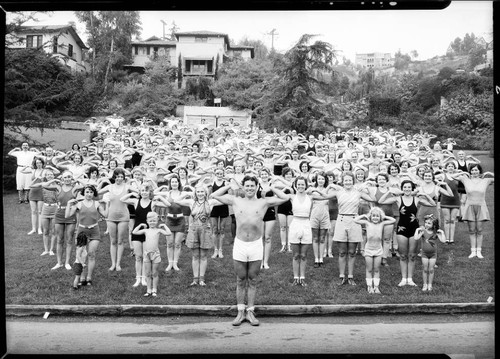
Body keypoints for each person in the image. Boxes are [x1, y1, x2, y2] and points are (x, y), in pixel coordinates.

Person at [210, 175, 288, 326]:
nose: (250, 188)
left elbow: (284, 198)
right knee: (240, 279)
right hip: (240, 244)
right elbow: (214, 195)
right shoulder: (235, 200)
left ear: (257, 187)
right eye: (247, 186)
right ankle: (240, 312)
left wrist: (271, 187)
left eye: (253, 186)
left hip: (255, 245)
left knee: (252, 279)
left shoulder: (264, 202)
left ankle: (250, 312)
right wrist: (229, 185)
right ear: (243, 187)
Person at [378, 180, 436, 287]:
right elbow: (381, 201)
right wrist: (389, 191)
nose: (407, 189)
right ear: (402, 188)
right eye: (405, 187)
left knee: (412, 255)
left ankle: (410, 279)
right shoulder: (398, 199)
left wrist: (425, 195)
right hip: (401, 229)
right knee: (403, 255)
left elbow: (433, 204)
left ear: (412, 188)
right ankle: (404, 279)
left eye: (409, 187)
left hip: (414, 228)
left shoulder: (417, 199)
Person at [170, 185, 222, 287]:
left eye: (202, 192)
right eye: (198, 192)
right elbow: (176, 200)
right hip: (193, 231)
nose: (200, 194)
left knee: (203, 256)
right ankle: (195, 279)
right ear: (195, 193)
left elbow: (224, 201)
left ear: (205, 193)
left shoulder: (210, 202)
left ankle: (201, 279)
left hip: (205, 231)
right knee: (195, 256)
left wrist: (215, 195)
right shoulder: (191, 202)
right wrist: (188, 193)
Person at [65, 185, 107, 286]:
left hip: (94, 230)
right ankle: (82, 277)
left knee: (91, 254)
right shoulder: (79, 204)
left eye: (91, 192)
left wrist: (107, 203)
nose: (89, 194)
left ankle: (89, 277)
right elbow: (67, 215)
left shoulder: (96, 203)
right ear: (84, 193)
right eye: (87, 192)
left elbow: (106, 215)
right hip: (82, 231)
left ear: (94, 193)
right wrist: (68, 204)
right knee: (82, 255)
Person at [455, 164, 494, 259]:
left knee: (479, 230)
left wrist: (489, 173)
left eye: (476, 170)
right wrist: (463, 172)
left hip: (481, 206)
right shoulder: (465, 179)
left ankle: (479, 250)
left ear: (480, 171)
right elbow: (452, 176)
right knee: (472, 230)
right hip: (469, 207)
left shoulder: (485, 180)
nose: (474, 172)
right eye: (472, 170)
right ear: (470, 171)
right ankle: (473, 251)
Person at [99, 168, 134, 271]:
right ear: (114, 177)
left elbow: (140, 190)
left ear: (124, 178)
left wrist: (135, 181)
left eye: (121, 177)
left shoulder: (127, 186)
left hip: (123, 216)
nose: (119, 178)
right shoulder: (109, 187)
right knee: (113, 241)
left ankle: (118, 263)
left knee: (120, 241)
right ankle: (113, 264)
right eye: (118, 176)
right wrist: (101, 181)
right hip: (111, 216)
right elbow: (96, 192)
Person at [354, 207, 396, 294]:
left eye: (377, 216)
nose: (375, 218)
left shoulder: (381, 224)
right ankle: (370, 287)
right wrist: (364, 215)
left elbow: (393, 220)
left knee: (376, 269)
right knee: (369, 269)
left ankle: (376, 287)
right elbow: (356, 220)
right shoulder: (367, 223)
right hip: (369, 250)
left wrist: (384, 216)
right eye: (373, 216)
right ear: (370, 216)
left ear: (380, 217)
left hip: (378, 250)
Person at [132, 212, 172, 297]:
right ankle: (148, 290)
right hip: (147, 254)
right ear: (147, 221)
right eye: (150, 221)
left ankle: (154, 289)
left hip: (155, 254)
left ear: (157, 221)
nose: (152, 222)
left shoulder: (158, 230)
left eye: (154, 221)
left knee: (154, 273)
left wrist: (164, 226)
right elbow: (134, 232)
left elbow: (168, 233)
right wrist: (141, 225)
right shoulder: (145, 230)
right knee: (148, 273)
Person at [414, 214, 446, 291]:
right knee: (425, 269)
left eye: (429, 223)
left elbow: (443, 241)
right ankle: (425, 284)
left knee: (431, 269)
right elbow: (416, 238)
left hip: (433, 254)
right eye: (426, 222)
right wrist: (417, 230)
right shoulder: (423, 231)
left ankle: (430, 284)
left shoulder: (436, 233)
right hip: (424, 254)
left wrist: (442, 233)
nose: (426, 224)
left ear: (433, 225)